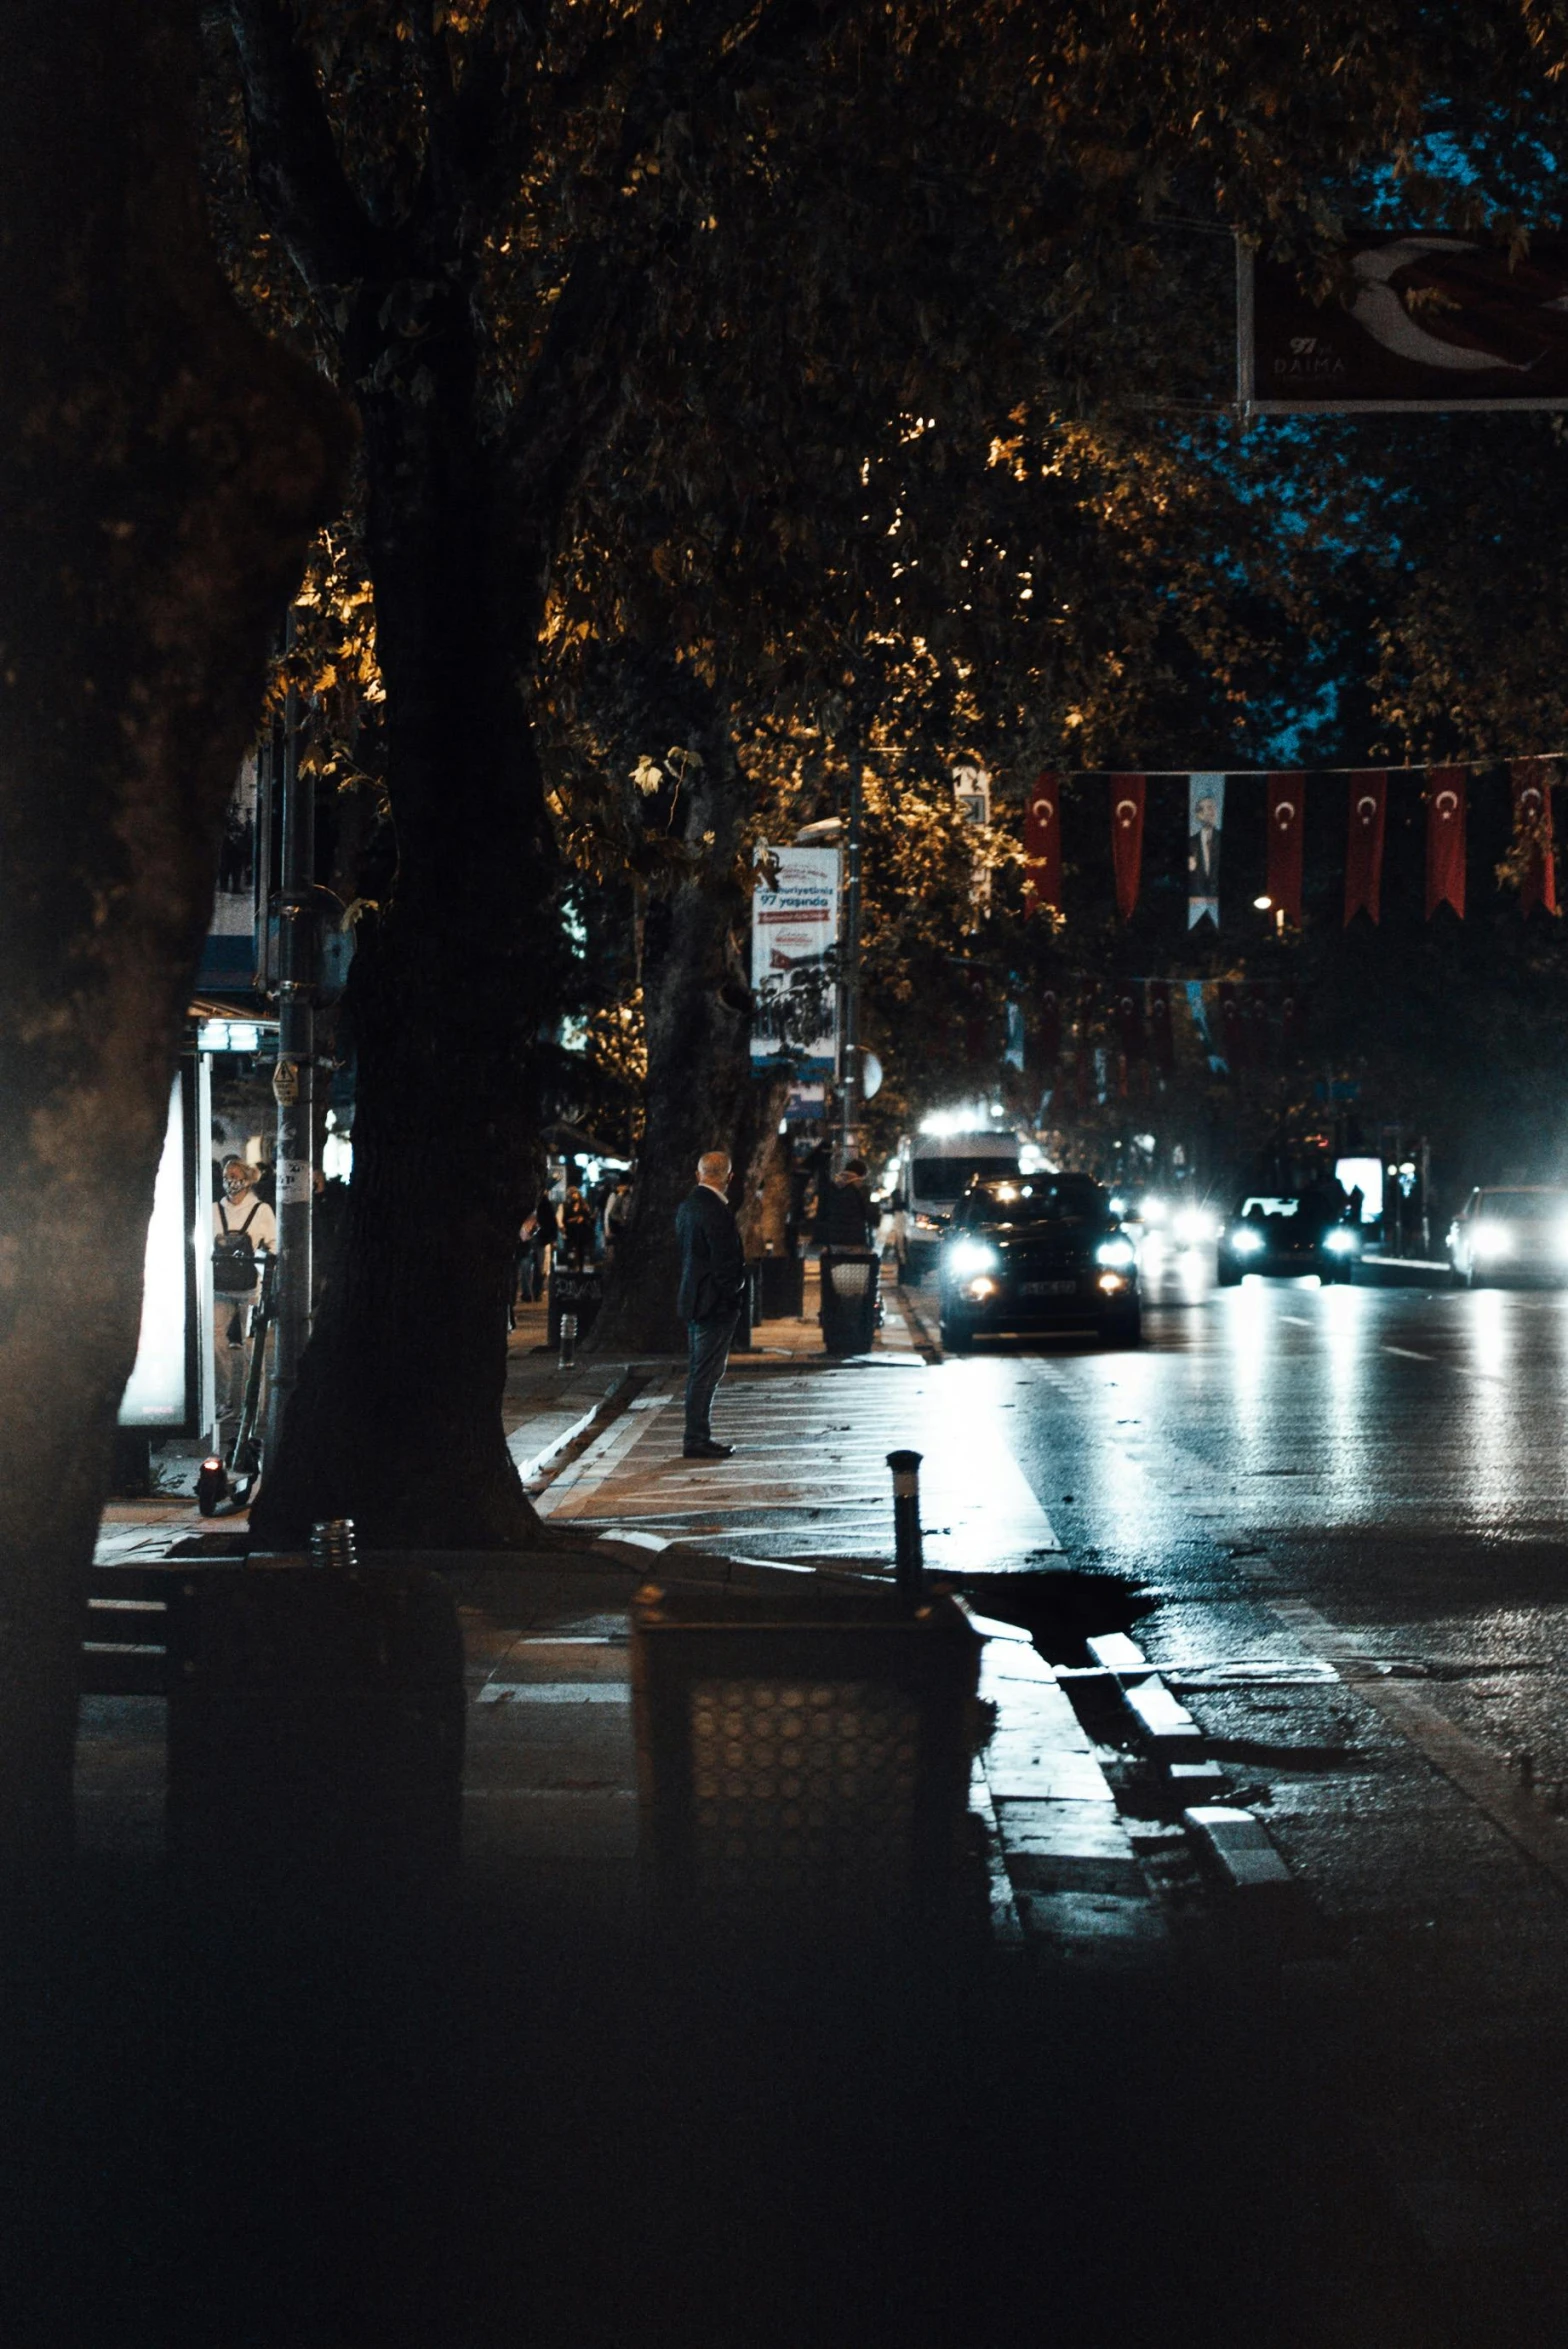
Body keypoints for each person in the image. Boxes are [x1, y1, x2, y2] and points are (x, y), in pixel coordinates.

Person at [675, 1150, 747, 1460]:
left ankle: (697, 1436)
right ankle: (697, 1438)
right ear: (729, 1178)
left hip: (694, 1297)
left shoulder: (688, 1207)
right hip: (713, 1303)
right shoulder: (717, 1212)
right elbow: (726, 1264)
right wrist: (735, 1289)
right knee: (705, 1373)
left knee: (700, 1371)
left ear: (699, 1174)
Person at [211, 1158, 276, 1458]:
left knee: (253, 1348)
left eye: (236, 1176)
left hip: (251, 1290)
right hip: (220, 1288)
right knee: (214, 1344)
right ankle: (224, 1402)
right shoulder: (214, 1209)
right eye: (226, 1176)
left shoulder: (261, 1211)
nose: (230, 1181)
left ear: (247, 1180)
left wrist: (265, 1275)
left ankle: (251, 1407)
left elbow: (274, 1244)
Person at [816, 1157, 879, 1249]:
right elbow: (868, 1213)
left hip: (832, 1239)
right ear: (862, 1174)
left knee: (834, 1262)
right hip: (854, 1239)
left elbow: (823, 1210)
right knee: (855, 1262)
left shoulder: (832, 1186)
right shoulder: (861, 1188)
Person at [559, 1184, 595, 1270]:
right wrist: (574, 1219)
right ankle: (571, 1267)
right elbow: (565, 1219)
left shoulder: (584, 1206)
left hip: (582, 1233)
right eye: (572, 1194)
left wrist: (583, 1218)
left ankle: (580, 1268)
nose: (574, 1195)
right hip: (570, 1232)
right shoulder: (566, 1206)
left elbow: (589, 1218)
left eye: (575, 1193)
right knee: (570, 1252)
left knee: (580, 1251)